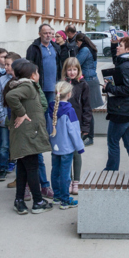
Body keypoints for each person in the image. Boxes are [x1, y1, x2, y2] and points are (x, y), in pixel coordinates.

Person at [4, 60, 54, 215]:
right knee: (32, 167)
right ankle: (38, 202)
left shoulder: (24, 85)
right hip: (27, 134)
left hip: (25, 133)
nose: (38, 75)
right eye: (37, 72)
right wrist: (21, 113)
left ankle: (19, 200)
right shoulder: (28, 86)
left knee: (23, 168)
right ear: (32, 75)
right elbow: (11, 97)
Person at [25, 24, 63, 200]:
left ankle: (50, 131)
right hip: (40, 86)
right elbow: (29, 68)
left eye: (51, 33)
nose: (49, 35)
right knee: (42, 111)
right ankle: (43, 132)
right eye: (46, 33)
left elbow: (60, 64)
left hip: (53, 86)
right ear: (39, 34)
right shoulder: (34, 48)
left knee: (52, 111)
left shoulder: (56, 47)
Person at [103, 36, 129, 173]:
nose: (118, 47)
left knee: (113, 142)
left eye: (120, 45)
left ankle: (111, 171)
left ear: (128, 49)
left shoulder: (125, 66)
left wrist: (109, 88)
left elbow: (128, 90)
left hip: (122, 111)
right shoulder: (127, 62)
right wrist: (114, 44)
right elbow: (116, 59)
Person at [49, 80, 85, 209]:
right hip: (67, 147)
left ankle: (57, 197)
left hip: (55, 146)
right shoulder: (69, 111)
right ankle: (65, 200)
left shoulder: (51, 108)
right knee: (65, 174)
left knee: (55, 171)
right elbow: (74, 132)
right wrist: (80, 147)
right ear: (69, 94)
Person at [63, 57, 91, 195]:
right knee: (66, 153)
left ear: (78, 70)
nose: (72, 72)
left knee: (76, 153)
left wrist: (85, 127)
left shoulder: (83, 85)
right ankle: (68, 180)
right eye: (69, 69)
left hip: (77, 125)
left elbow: (87, 108)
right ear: (65, 71)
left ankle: (76, 181)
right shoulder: (62, 84)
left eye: (74, 69)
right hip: (64, 125)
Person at [0, 52, 21, 181]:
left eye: (9, 65)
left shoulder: (22, 81)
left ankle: (14, 163)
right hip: (5, 117)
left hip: (18, 118)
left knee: (16, 144)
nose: (6, 67)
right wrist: (1, 116)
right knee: (4, 145)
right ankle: (2, 168)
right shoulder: (2, 80)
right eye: (5, 65)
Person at [74, 32, 102, 146]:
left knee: (87, 110)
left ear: (79, 42)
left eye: (77, 43)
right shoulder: (92, 48)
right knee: (88, 109)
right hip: (92, 80)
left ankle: (89, 137)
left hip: (89, 81)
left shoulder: (84, 50)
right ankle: (88, 136)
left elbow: (75, 63)